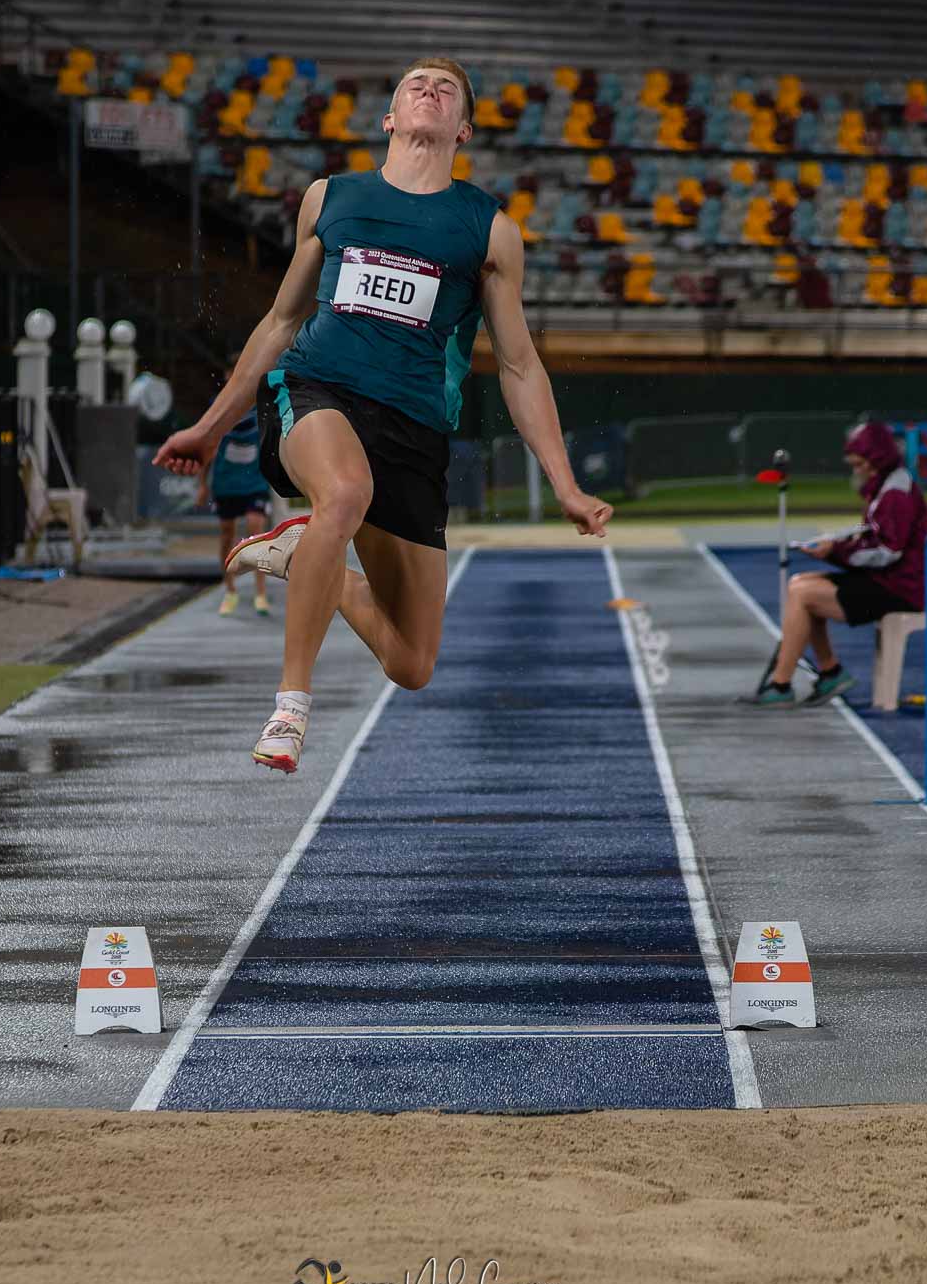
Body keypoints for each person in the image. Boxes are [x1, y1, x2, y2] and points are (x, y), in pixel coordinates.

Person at [154, 57, 614, 772]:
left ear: (463, 129)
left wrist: (566, 485)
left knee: (412, 662)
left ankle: (315, 562)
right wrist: (211, 428)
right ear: (389, 118)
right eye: (415, 85)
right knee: (343, 492)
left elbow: (520, 366)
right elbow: (281, 321)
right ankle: (290, 709)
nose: (430, 91)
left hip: (413, 428)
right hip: (316, 389)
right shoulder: (331, 198)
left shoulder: (488, 230)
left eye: (446, 89)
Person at [744, 420, 927, 707]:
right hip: (888, 580)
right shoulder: (886, 486)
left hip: (899, 589)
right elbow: (876, 538)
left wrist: (836, 551)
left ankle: (782, 684)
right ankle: (829, 672)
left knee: (804, 593)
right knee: (799, 584)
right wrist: (837, 546)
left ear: (877, 458)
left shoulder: (895, 492)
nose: (856, 470)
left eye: (860, 463)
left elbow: (887, 551)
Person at [196, 408, 272, 616]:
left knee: (256, 531)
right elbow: (206, 453)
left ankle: (260, 593)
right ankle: (230, 590)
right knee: (226, 534)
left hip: (254, 484)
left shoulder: (262, 412)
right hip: (226, 485)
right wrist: (202, 486)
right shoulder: (221, 414)